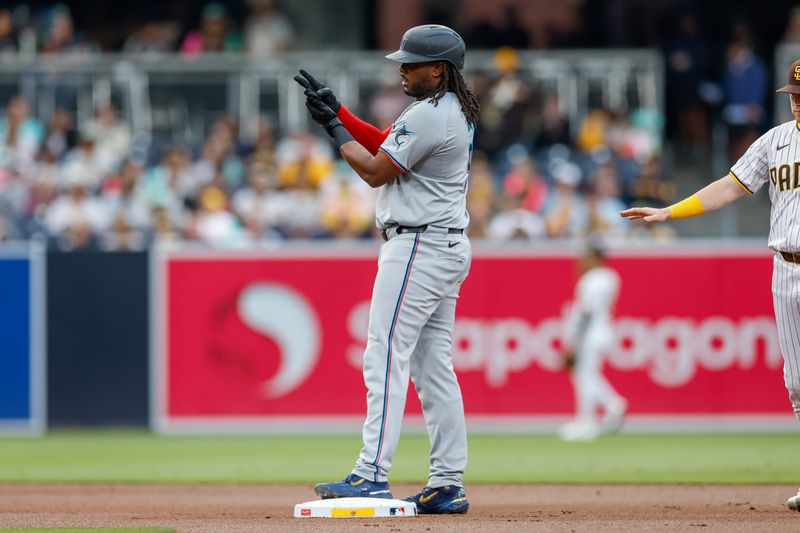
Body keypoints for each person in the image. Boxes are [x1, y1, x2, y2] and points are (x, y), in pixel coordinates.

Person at [293, 24, 478, 514]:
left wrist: (332, 129)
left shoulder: (430, 114)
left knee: (385, 354)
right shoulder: (445, 110)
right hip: (443, 245)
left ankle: (371, 474)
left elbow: (375, 170)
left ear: (438, 69)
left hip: (418, 245)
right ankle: (447, 482)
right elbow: (386, 148)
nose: (402, 68)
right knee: (433, 369)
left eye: (412, 62)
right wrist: (342, 114)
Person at [620, 58, 800, 512]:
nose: (796, 103)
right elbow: (728, 187)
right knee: (798, 383)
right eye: (793, 96)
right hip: (786, 266)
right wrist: (668, 212)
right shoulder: (776, 141)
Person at [558, 244, 626, 441]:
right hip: (605, 329)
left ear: (596, 258)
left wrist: (573, 341)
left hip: (591, 334)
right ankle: (607, 407)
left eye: (585, 257)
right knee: (587, 375)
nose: (581, 261)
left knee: (584, 376)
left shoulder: (590, 279)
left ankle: (589, 419)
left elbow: (585, 312)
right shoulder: (611, 277)